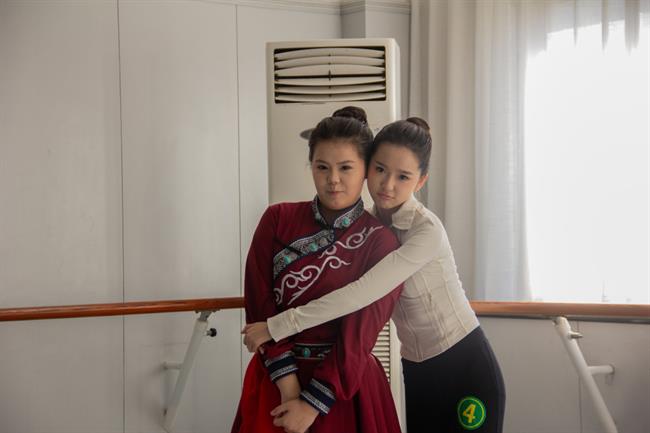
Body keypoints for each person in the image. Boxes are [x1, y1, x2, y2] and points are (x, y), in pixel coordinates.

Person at [243, 117, 506, 433]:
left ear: (421, 181)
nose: (387, 184)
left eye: (403, 176)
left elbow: (361, 293)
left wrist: (277, 325)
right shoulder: (367, 224)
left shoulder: (424, 231)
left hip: (462, 358)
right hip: (416, 365)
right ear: (369, 168)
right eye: (380, 169)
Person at [231, 107, 404, 433]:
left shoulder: (381, 242)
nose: (333, 179)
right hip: (276, 380)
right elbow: (259, 305)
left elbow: (359, 335)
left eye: (345, 168)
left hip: (343, 388)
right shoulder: (277, 220)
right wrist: (289, 390)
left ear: (366, 170)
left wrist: (311, 404)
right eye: (322, 167)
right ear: (311, 166)